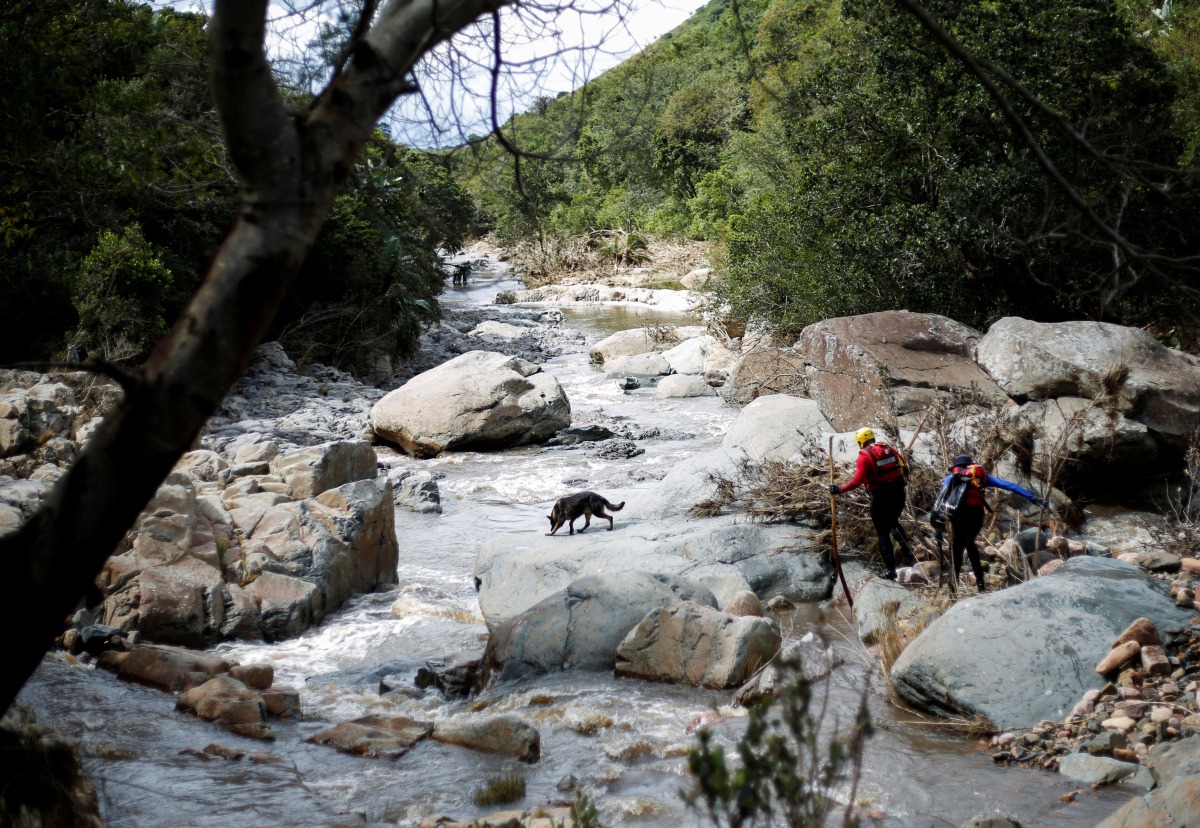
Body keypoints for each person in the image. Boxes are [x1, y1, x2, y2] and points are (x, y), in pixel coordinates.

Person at [937, 454, 1042, 592]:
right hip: (976, 517)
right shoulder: (980, 476)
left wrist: (937, 527)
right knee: (970, 544)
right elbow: (1009, 485)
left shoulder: (951, 478)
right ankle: (981, 585)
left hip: (959, 517)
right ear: (971, 465)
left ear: (955, 467)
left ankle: (953, 590)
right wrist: (1033, 498)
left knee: (957, 549)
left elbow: (940, 501)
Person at [829, 427, 915, 580]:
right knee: (894, 523)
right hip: (898, 494)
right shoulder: (888, 449)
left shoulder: (864, 457)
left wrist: (839, 489)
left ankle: (891, 571)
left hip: (880, 498)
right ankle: (909, 555)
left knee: (882, 533)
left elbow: (857, 480)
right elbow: (903, 466)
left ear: (860, 441)